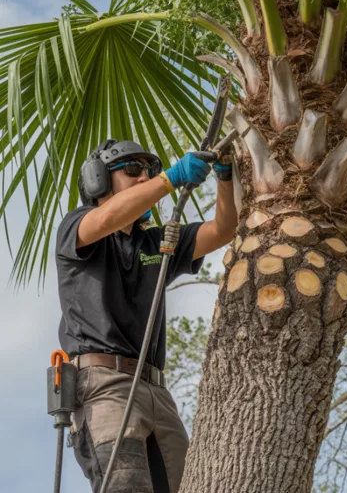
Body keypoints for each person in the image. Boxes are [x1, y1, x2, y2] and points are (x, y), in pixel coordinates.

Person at [56, 139, 238, 492]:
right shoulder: (77, 226)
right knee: (127, 486)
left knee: (190, 486)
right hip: (104, 387)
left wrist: (226, 178)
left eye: (150, 171)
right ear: (98, 181)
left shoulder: (157, 244)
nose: (144, 178)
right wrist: (171, 177)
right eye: (132, 170)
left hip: (156, 390)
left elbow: (223, 230)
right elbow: (108, 217)